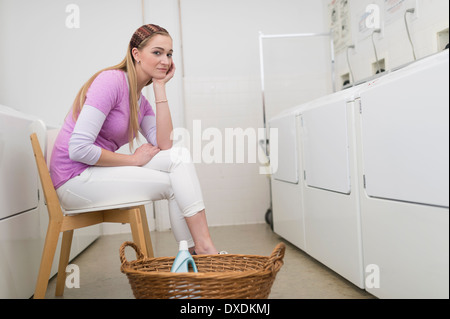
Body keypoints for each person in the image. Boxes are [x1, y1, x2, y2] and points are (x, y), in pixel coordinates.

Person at [50, 24, 218, 255]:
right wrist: (133, 160)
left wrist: (160, 87)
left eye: (169, 54)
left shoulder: (139, 100)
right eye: (157, 52)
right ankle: (201, 252)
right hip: (75, 180)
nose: (165, 60)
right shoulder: (110, 81)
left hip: (96, 172)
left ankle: (196, 254)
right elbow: (78, 149)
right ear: (136, 54)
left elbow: (166, 146)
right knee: (177, 184)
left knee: (179, 159)